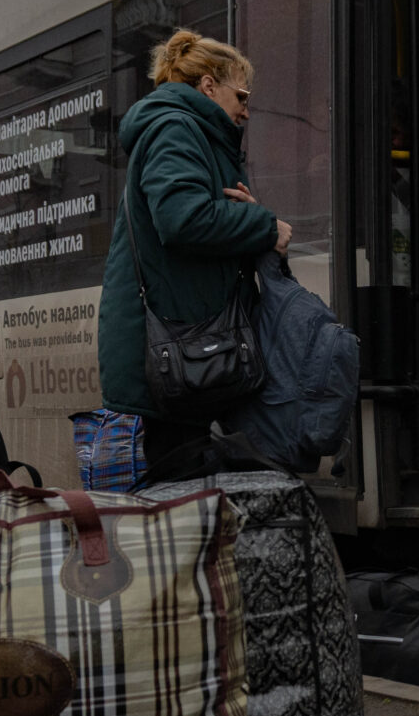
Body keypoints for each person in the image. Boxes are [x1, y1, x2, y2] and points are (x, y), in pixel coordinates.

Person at [98, 30, 292, 469]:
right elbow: (182, 219)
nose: (246, 110)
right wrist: (263, 226)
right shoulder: (176, 129)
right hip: (183, 350)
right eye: (241, 96)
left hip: (196, 347)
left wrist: (247, 219)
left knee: (198, 482)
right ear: (208, 86)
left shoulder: (189, 130)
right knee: (185, 486)